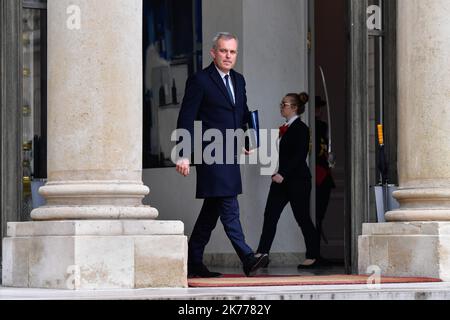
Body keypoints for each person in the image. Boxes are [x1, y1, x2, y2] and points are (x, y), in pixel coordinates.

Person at [176, 32, 269, 278]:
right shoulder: (200, 80)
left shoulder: (239, 81)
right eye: (223, 51)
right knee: (229, 206)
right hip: (211, 153)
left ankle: (194, 260)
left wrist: (249, 138)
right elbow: (186, 116)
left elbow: (243, 113)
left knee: (212, 211)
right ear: (213, 53)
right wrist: (183, 154)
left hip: (230, 153)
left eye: (232, 52)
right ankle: (247, 258)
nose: (228, 56)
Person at [256, 92, 321, 269]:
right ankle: (262, 253)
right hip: (281, 180)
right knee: (270, 215)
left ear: (294, 108)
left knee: (302, 218)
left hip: (297, 180)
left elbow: (300, 156)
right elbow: (281, 153)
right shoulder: (284, 128)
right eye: (281, 103)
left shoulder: (301, 128)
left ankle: (313, 255)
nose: (281, 107)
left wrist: (282, 173)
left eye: (284, 104)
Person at [315, 96, 336, 246]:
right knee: (315, 215)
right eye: (317, 107)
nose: (319, 111)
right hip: (316, 175)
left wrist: (330, 159)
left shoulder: (322, 126)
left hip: (324, 175)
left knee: (320, 216)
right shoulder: (312, 125)